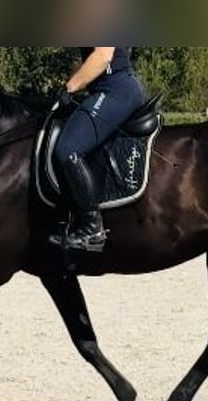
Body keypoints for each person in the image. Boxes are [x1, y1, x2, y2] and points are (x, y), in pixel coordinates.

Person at [49, 47, 146, 252]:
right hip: (108, 88)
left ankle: (92, 228)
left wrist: (69, 88)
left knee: (68, 149)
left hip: (115, 89)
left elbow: (103, 56)